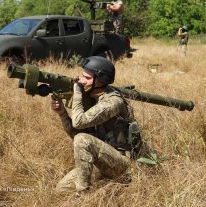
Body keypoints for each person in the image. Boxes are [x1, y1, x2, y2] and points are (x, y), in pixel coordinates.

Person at [51, 56, 141, 196]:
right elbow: (75, 134)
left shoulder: (113, 102)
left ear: (100, 81)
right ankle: (104, 184)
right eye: (82, 76)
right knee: (61, 190)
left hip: (121, 164)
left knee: (82, 139)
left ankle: (84, 195)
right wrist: (62, 113)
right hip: (101, 159)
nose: (81, 81)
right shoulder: (92, 98)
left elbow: (79, 124)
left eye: (87, 78)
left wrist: (77, 93)